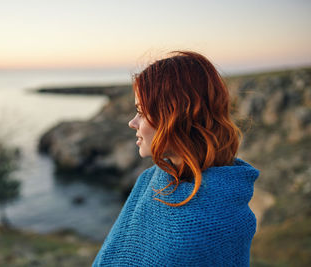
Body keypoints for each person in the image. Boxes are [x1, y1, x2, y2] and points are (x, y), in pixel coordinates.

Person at [92, 51, 259, 266]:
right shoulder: (150, 179)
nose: (132, 123)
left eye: (141, 112)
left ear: (174, 117)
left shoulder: (210, 222)